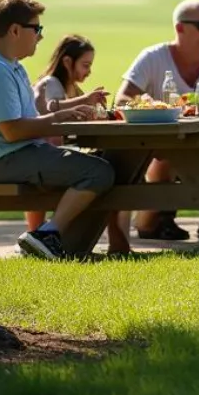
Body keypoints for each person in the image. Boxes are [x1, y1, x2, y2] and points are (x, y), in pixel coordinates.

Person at [0, 0, 113, 260]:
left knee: (100, 163)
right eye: (36, 29)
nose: (40, 36)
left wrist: (71, 108)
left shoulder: (10, 67)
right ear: (15, 30)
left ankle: (55, 240)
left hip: (13, 155)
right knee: (99, 172)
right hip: (2, 159)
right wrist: (60, 120)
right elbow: (13, 131)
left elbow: (31, 115)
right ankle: (46, 236)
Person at [119, 0, 199, 241]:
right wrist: (156, 107)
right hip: (156, 147)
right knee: (167, 158)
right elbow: (122, 99)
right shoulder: (153, 58)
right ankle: (157, 221)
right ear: (179, 28)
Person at [30, 34, 131, 255]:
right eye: (85, 65)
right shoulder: (50, 84)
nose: (89, 71)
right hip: (43, 156)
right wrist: (84, 102)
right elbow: (43, 108)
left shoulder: (73, 88)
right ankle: (40, 234)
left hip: (60, 154)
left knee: (120, 168)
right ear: (67, 62)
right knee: (107, 169)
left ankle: (117, 241)